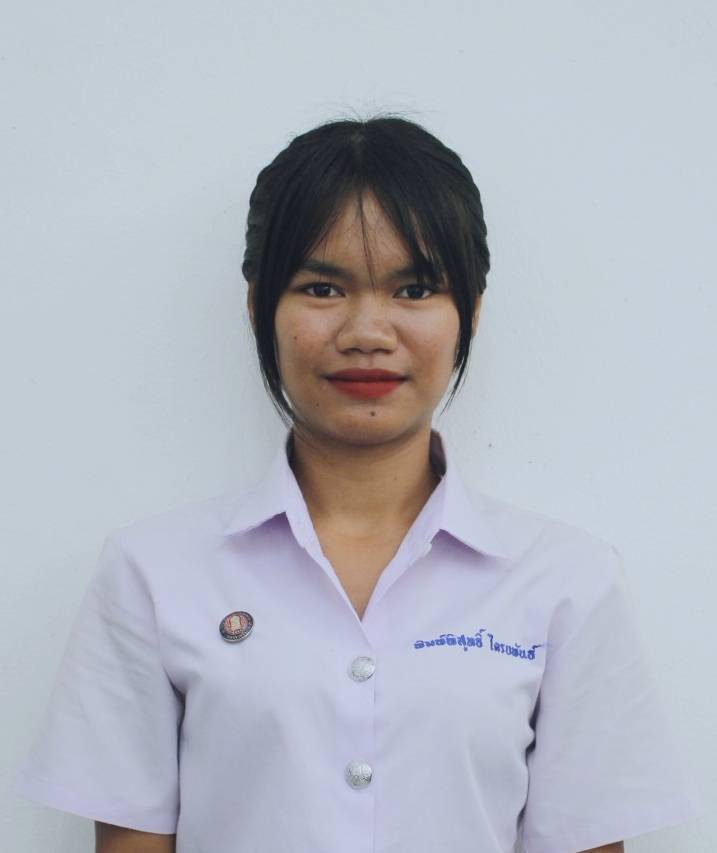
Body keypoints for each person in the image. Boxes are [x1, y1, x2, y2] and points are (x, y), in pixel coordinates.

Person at [13, 114, 705, 853]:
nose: (367, 332)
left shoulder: (564, 579)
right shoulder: (153, 572)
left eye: (414, 288)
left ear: (470, 313)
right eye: (321, 287)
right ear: (258, 308)